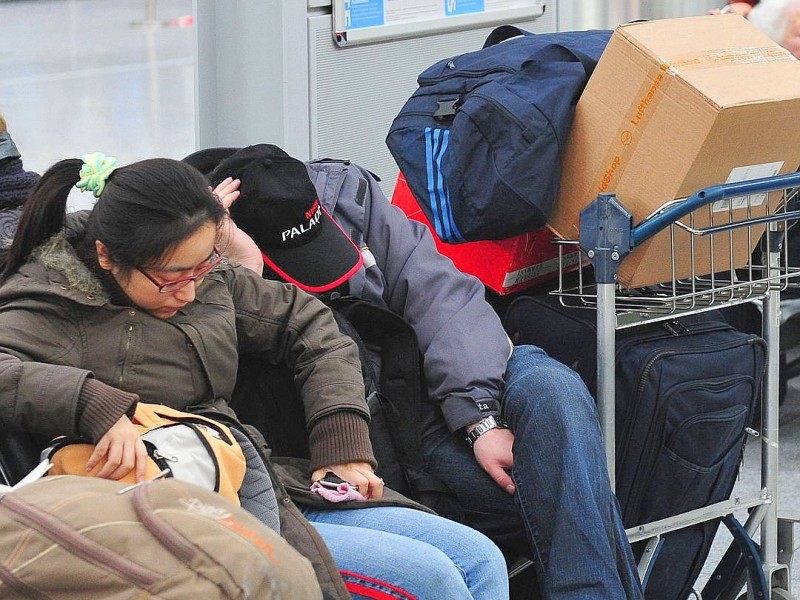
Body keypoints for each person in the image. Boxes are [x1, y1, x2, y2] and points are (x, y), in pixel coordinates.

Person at [0, 152, 510, 600]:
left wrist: (343, 443)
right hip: (179, 519)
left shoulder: (204, 277)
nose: (192, 291)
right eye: (171, 278)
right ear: (108, 257)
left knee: (479, 557)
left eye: (203, 266)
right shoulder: (54, 303)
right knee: (433, 578)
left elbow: (315, 327)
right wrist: (91, 402)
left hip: (262, 481)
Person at [184, 144, 645, 600]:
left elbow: (441, 298)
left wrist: (478, 418)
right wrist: (238, 272)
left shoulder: (342, 195)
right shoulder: (185, 262)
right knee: (567, 502)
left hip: (428, 393)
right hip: (351, 439)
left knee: (551, 387)